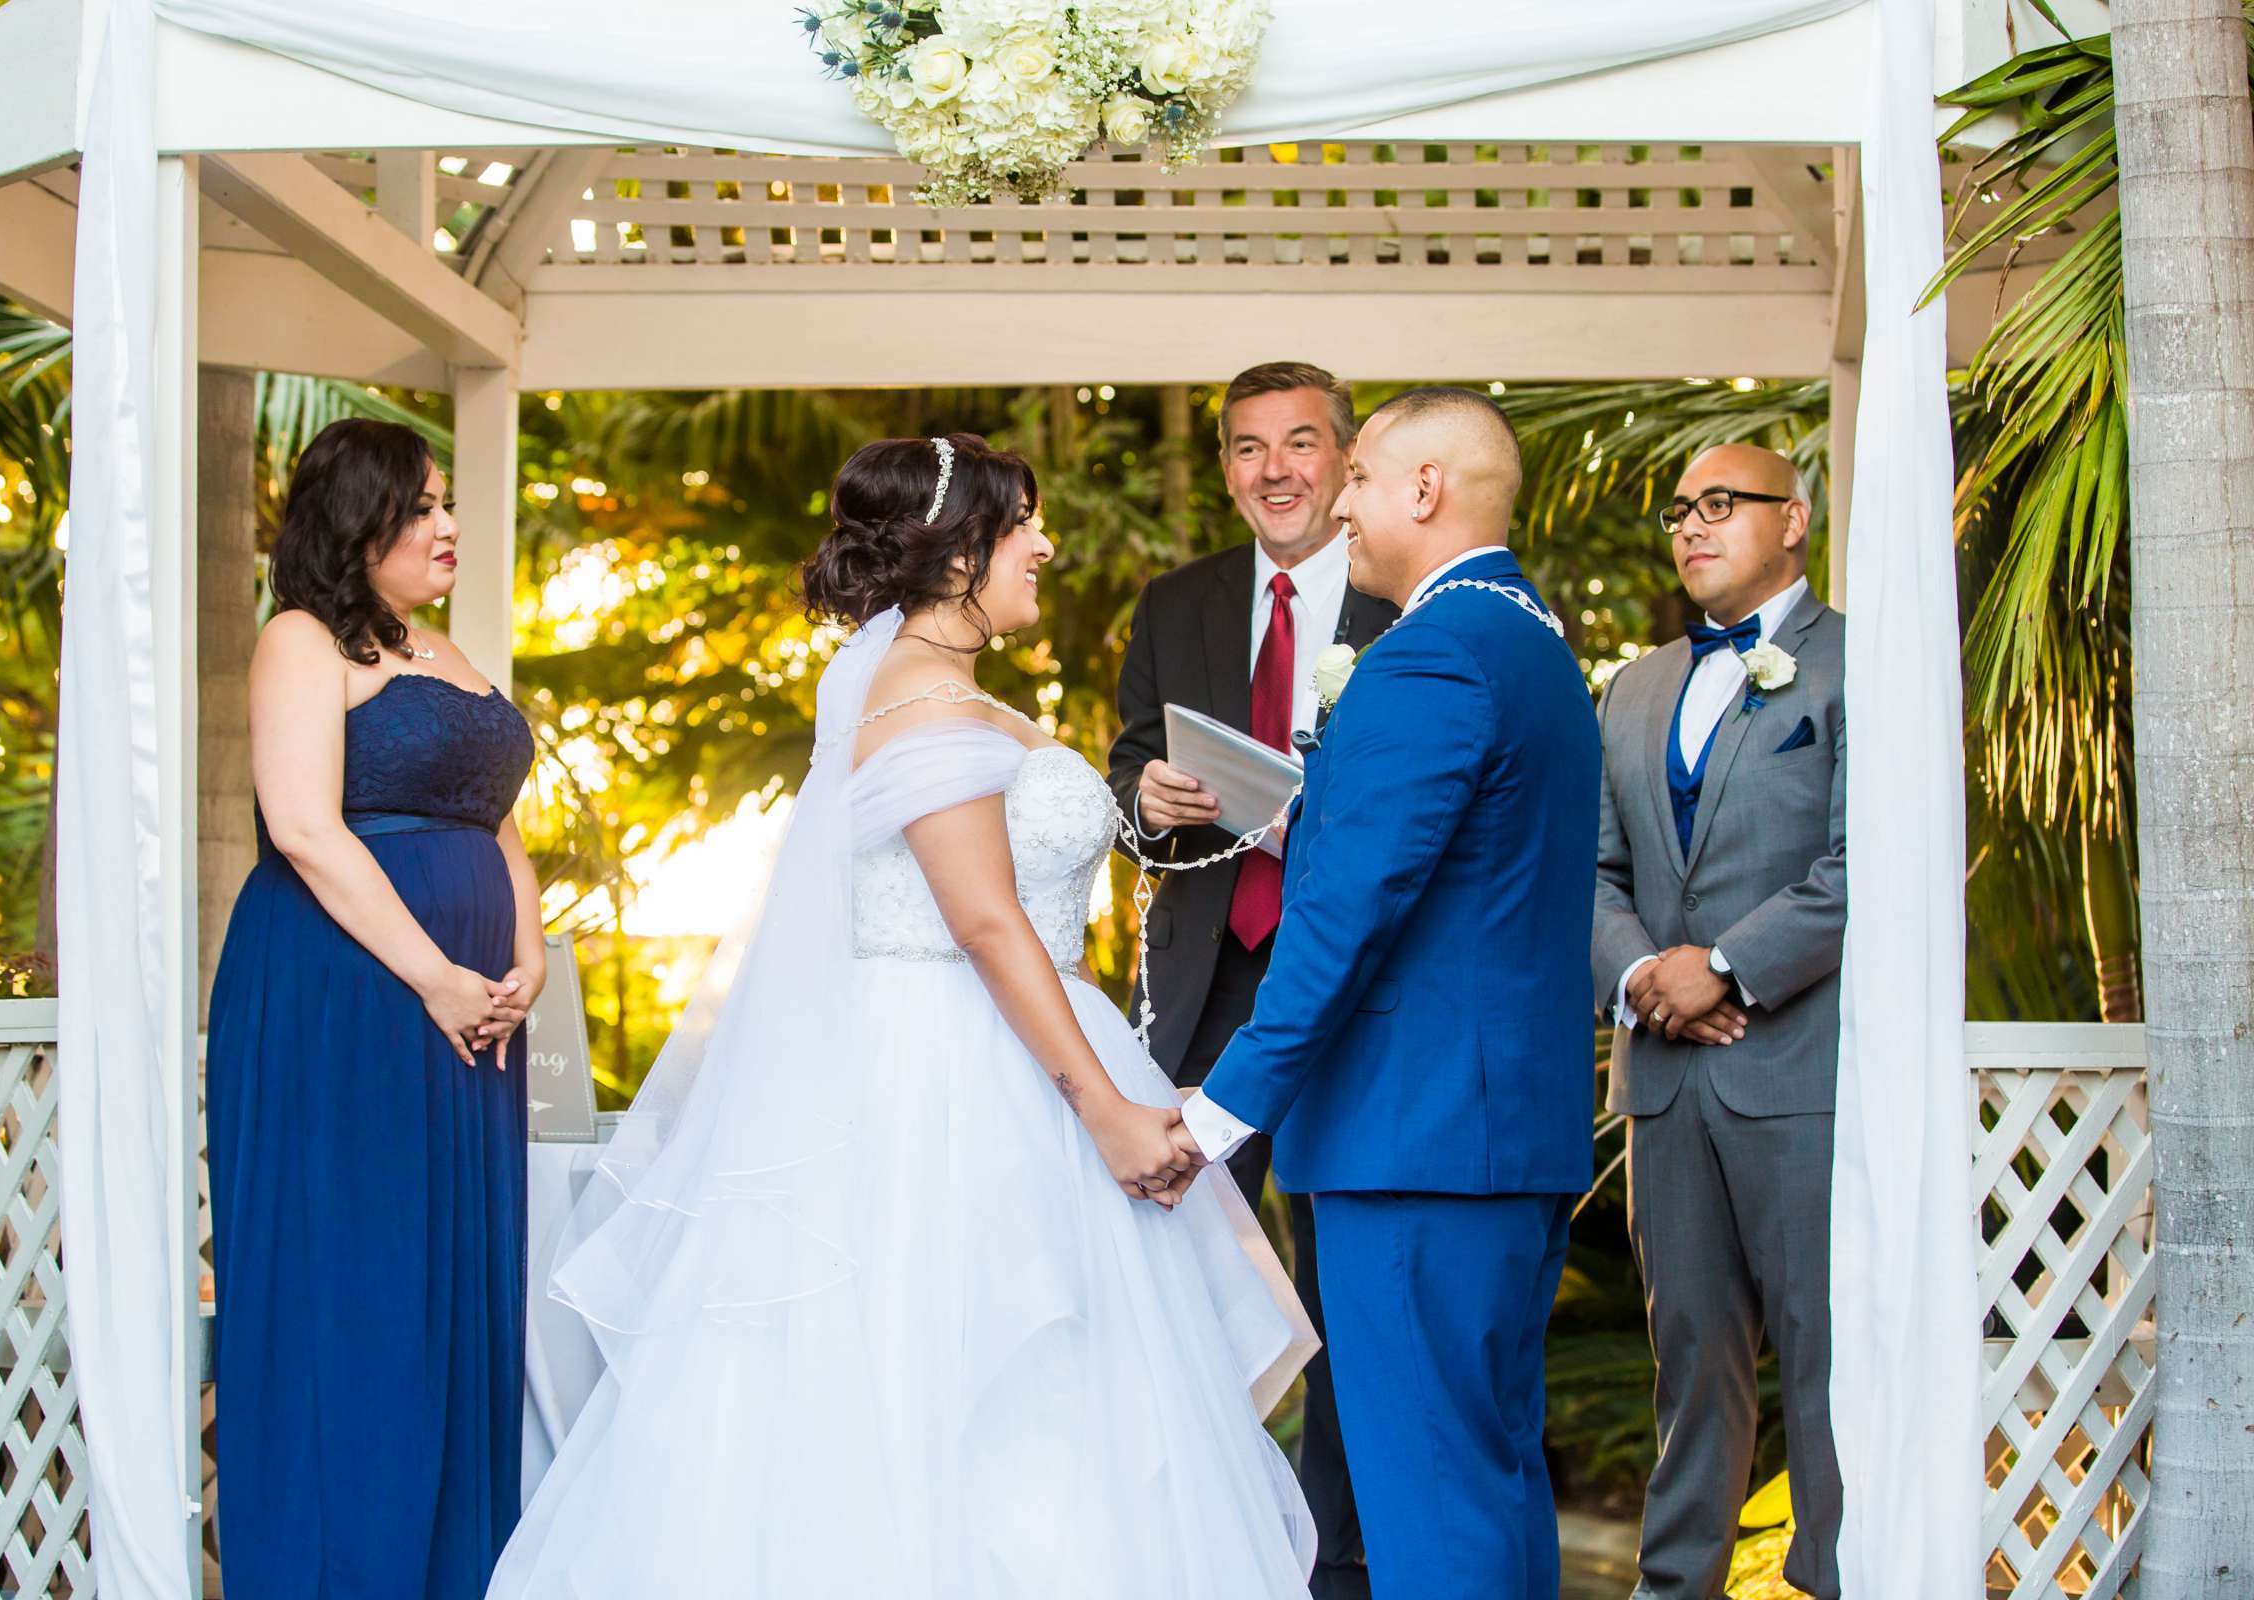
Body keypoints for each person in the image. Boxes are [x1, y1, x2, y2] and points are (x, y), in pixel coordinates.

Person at [488, 433, 1316, 1598]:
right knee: (959, 1382)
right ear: (958, 551)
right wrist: (1109, 1112)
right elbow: (985, 923)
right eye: (1023, 522)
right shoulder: (924, 705)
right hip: (958, 1082)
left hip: (1007, 1052)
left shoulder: (949, 690)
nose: (1046, 544)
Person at [1180, 388, 1601, 1600]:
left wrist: (1223, 1110)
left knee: (1427, 1495)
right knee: (1491, 1472)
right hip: (1487, 1140)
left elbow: (1344, 916)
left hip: (1412, 1148)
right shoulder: (1527, 638)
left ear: (1424, 490)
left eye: (1358, 478)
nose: (1342, 506)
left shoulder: (1434, 656)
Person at [205, 417, 544, 1598]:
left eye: (448, 502)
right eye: (420, 507)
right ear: (357, 524)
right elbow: (302, 825)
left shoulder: (446, 650)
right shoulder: (300, 640)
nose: (447, 526)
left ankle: (455, 1566)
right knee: (354, 1277)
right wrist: (434, 974)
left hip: (469, 1015)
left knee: (455, 1283)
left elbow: (497, 818)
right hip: (347, 994)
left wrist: (529, 954)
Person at [1107, 360, 1395, 1598]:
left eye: (1299, 443)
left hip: (1359, 991)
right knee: (1175, 1264)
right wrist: (1143, 795)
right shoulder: (1177, 602)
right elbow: (1125, 758)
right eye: (1246, 448)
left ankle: (1339, 1555)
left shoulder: (1404, 605)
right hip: (1211, 984)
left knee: (1344, 1278)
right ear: (1224, 467)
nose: (1273, 469)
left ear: (1345, 462)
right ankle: (1187, 1539)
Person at [1591, 443, 1846, 1600]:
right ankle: (1677, 1585)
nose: (1691, 526)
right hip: (1666, 1075)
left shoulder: (1854, 664)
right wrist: (1648, 974)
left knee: (1824, 1350)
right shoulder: (1632, 687)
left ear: (1792, 520)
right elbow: (1591, 869)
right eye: (1679, 509)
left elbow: (1868, 861)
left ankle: (1838, 1576)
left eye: (1720, 505)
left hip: (1796, 1066)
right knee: (1689, 1357)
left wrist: (1730, 968)